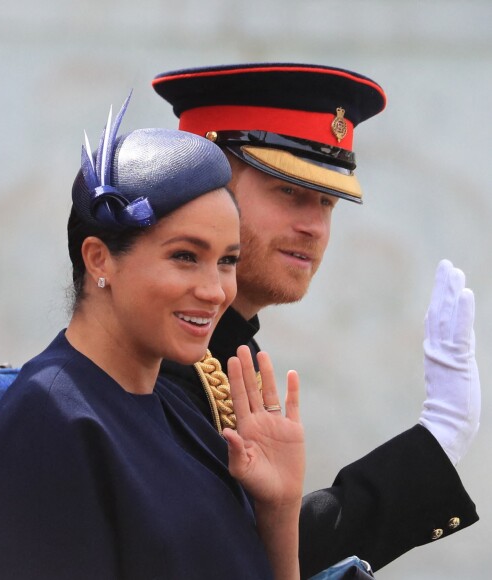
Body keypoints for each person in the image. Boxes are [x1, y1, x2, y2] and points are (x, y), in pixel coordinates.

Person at [0, 99, 305, 579]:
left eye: (227, 260)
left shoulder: (178, 411)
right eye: (185, 257)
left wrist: (278, 510)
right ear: (99, 259)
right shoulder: (53, 417)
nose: (216, 291)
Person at [152, 63, 480, 577]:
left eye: (328, 201)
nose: (313, 226)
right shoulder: (159, 354)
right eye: (289, 192)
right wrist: (436, 442)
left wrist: (436, 442)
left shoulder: (225, 349)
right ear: (204, 187)